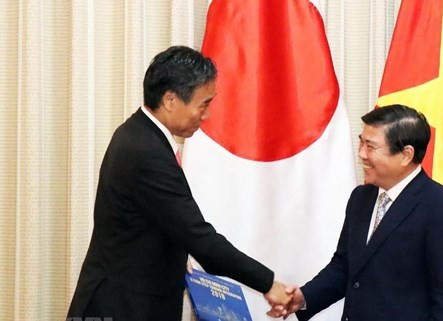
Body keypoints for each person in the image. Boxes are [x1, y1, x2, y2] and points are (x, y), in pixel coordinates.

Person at [67, 46, 290, 321]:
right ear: (171, 100)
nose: (206, 115)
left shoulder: (138, 134)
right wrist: (268, 284)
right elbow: (201, 239)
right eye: (204, 104)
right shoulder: (145, 152)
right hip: (122, 307)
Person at [273, 104, 443, 320]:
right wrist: (303, 298)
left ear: (406, 155)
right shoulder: (361, 198)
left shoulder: (440, 207)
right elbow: (344, 266)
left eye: (370, 146)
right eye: (361, 142)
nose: (361, 154)